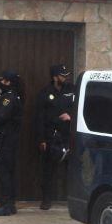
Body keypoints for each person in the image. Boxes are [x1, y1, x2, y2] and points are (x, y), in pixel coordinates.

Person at [35, 64, 75, 209]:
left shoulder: (72, 90)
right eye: (62, 75)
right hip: (51, 136)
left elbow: (79, 107)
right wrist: (41, 139)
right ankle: (46, 199)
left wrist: (71, 116)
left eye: (66, 75)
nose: (65, 77)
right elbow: (39, 118)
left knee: (71, 169)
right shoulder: (45, 93)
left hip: (68, 135)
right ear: (54, 77)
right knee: (48, 171)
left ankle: (72, 199)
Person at [0, 71, 23, 217]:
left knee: (3, 171)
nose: (0, 83)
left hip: (7, 140)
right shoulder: (9, 96)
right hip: (9, 139)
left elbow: (1, 117)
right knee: (8, 171)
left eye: (3, 80)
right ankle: (10, 204)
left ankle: (6, 204)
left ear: (8, 82)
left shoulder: (9, 98)